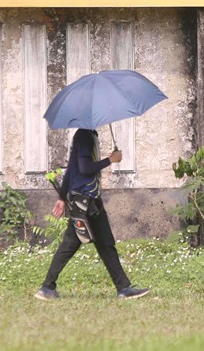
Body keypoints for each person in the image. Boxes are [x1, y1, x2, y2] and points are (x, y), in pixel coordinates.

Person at [36, 128, 150, 301]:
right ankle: (47, 287)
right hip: (85, 202)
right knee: (72, 244)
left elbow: (71, 170)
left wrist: (61, 197)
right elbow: (84, 167)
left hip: (89, 200)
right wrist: (110, 160)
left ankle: (123, 288)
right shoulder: (83, 136)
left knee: (105, 245)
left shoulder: (88, 135)